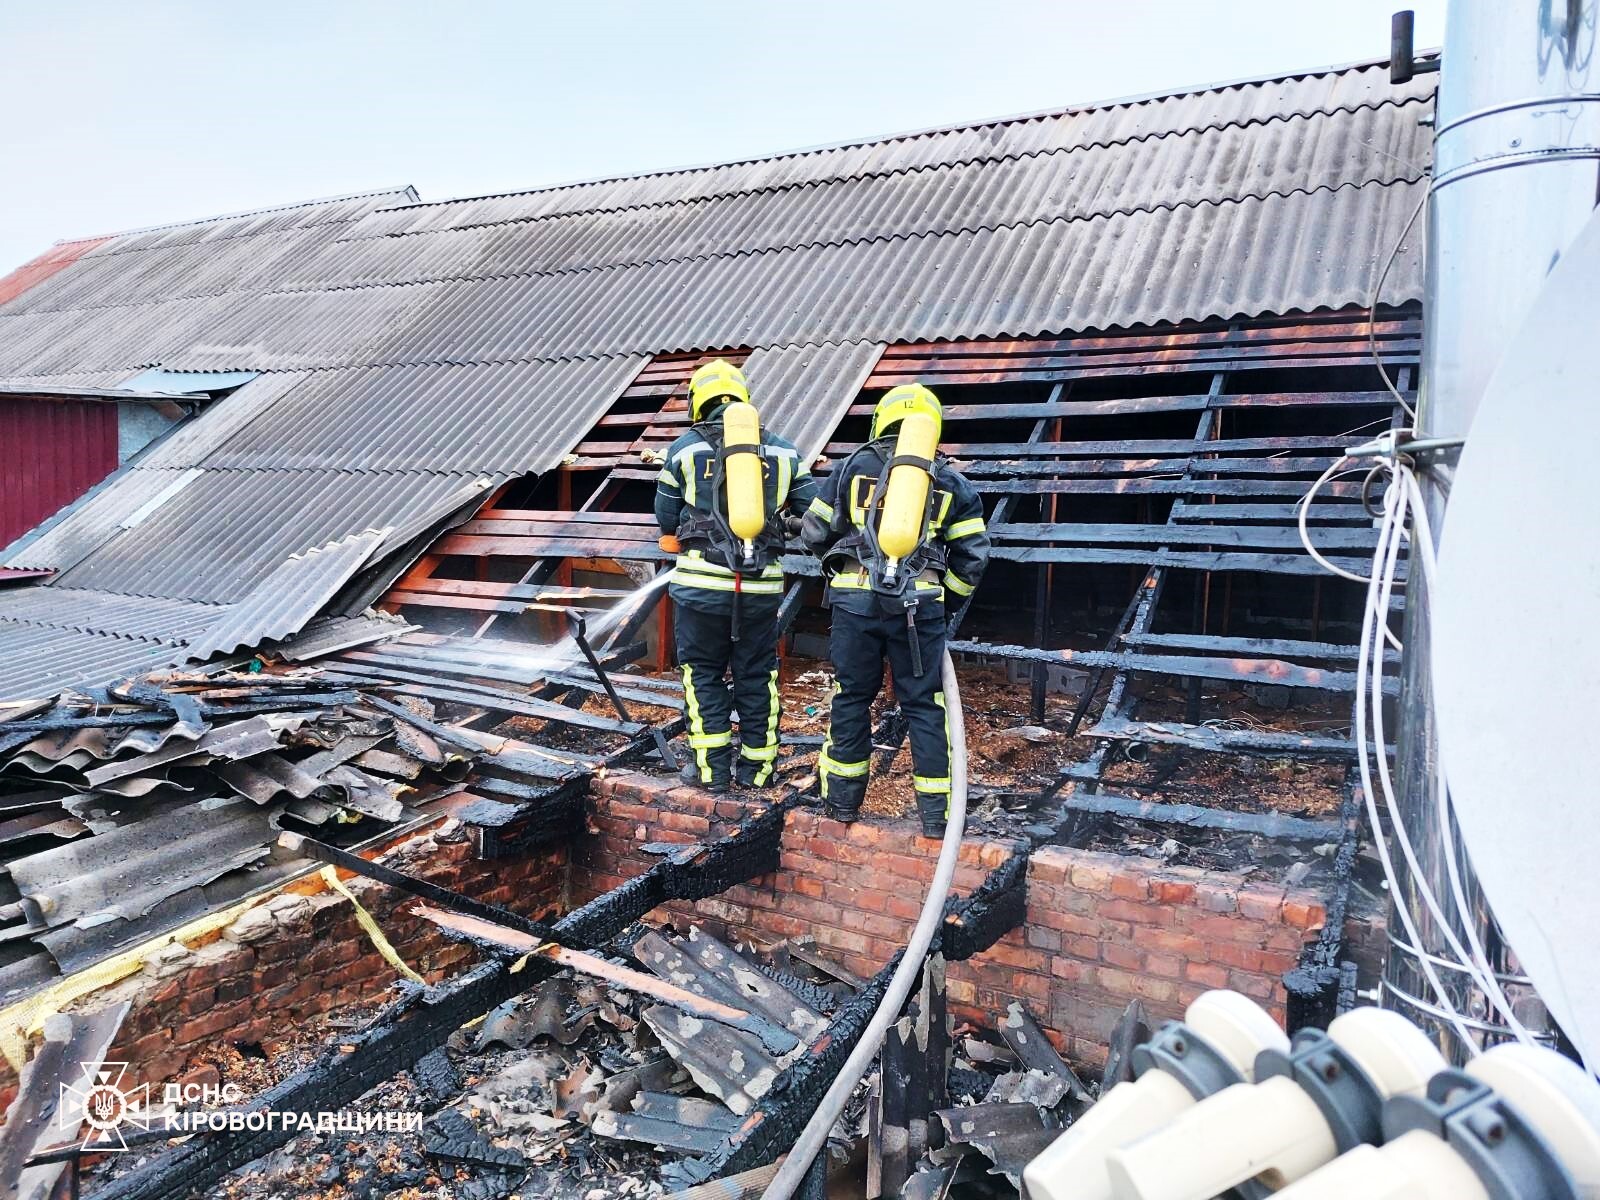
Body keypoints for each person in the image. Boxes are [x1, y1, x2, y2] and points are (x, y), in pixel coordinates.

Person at [801, 384, 989, 837]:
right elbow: (974, 557)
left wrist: (846, 565)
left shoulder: (851, 467)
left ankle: (841, 805)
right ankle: (936, 817)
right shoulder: (950, 480)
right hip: (916, 608)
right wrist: (946, 602)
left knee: (851, 697)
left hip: (854, 607)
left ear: (881, 420)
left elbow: (813, 532)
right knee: (924, 705)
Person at [655, 359, 817, 792]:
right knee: (756, 674)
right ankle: (758, 771)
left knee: (703, 673)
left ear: (698, 400)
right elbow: (814, 513)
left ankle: (711, 773)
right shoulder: (783, 450)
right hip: (760, 590)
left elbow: (665, 517)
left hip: (700, 588)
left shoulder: (684, 449)